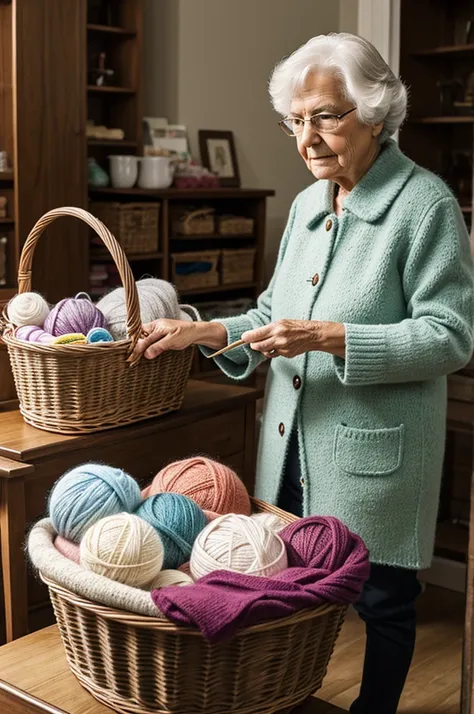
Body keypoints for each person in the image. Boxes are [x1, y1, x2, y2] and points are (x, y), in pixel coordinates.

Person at [133, 33, 474, 713]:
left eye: (324, 116)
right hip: (288, 445)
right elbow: (271, 315)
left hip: (372, 459)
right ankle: (281, 696)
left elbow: (451, 336)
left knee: (383, 603)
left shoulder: (424, 206)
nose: (306, 138)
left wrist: (330, 337)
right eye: (295, 119)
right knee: (281, 588)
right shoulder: (309, 205)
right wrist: (201, 331)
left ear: (376, 112)